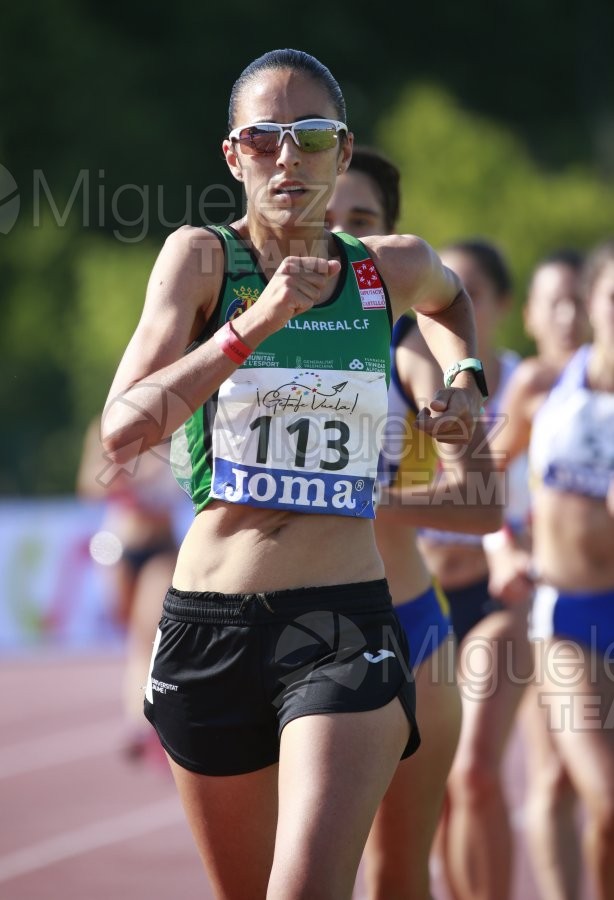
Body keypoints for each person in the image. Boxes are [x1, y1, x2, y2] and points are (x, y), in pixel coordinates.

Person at [101, 49, 486, 900]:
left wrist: (466, 380)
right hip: (209, 624)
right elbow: (124, 428)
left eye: (310, 136)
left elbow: (453, 300)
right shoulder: (202, 260)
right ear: (233, 156)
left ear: (342, 153)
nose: (289, 157)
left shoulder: (386, 266)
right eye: (264, 138)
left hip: (341, 623)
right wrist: (258, 321)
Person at [326, 146, 501, 899]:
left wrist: (362, 499)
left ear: (390, 245)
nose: (337, 237)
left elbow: (484, 503)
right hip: (285, 630)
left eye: (360, 223)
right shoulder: (256, 338)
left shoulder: (413, 363)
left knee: (399, 874)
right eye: (324, 218)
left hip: (406, 632)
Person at [488, 242, 614, 900]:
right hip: (566, 616)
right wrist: (504, 546)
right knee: (592, 789)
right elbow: (484, 483)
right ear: (595, 302)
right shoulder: (543, 387)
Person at [415, 239, 534, 900]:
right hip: (419, 603)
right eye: (436, 296)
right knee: (437, 796)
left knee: (475, 776)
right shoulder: (413, 387)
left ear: (496, 304)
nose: (448, 310)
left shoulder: (528, 385)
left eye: (467, 295)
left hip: (501, 601)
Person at [77, 415, 182, 759]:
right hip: (117, 544)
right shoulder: (108, 428)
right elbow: (89, 488)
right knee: (132, 637)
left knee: (147, 633)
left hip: (161, 547)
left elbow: (187, 484)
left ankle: (144, 721)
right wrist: (119, 477)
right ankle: (139, 717)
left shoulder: (177, 425)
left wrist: (154, 473)